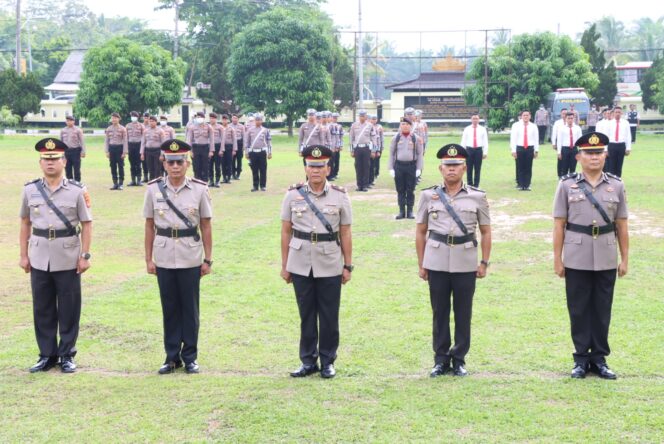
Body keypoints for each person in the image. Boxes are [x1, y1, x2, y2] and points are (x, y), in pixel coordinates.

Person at [553, 132, 628, 379]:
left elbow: (622, 225)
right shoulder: (566, 185)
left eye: (598, 153)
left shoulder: (616, 185)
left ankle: (599, 358)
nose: (594, 157)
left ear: (605, 155)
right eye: (588, 153)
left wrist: (624, 258)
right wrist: (557, 258)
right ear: (578, 157)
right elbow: (559, 225)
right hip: (576, 255)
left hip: (606, 254)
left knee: (602, 308)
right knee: (578, 308)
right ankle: (580, 359)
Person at [416, 144, 491, 377]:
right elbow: (421, 231)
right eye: (447, 165)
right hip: (436, 260)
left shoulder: (477, 197)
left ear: (464, 168)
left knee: (463, 311)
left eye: (456, 165)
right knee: (439, 312)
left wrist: (484, 262)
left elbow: (486, 231)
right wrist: (422, 263)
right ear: (440, 168)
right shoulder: (428, 196)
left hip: (466, 260)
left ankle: (458, 358)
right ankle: (440, 359)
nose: (451, 169)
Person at [19, 138, 93, 373]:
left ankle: (67, 354)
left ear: (64, 161)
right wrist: (23, 255)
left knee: (69, 309)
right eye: (46, 159)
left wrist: (85, 255)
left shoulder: (77, 190)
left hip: (68, 256)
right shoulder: (30, 190)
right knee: (42, 307)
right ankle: (46, 354)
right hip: (39, 255)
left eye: (55, 158)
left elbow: (87, 224)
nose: (50, 163)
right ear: (40, 162)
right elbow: (25, 222)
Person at [280, 145, 353, 379]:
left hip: (330, 260)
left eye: (320, 166)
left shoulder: (340, 196)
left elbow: (346, 232)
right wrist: (285, 265)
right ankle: (308, 360)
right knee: (306, 314)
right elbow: (285, 231)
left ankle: (328, 361)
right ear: (305, 168)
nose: (315, 171)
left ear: (328, 168)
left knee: (329, 314)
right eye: (311, 166)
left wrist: (347, 264)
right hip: (300, 261)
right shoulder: (293, 195)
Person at [143, 139, 213, 374]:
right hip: (163, 256)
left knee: (190, 309)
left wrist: (208, 258)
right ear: (164, 163)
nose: (175, 166)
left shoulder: (200, 189)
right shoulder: (153, 189)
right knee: (170, 308)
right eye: (171, 162)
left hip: (190, 256)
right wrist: (148, 259)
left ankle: (190, 356)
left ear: (187, 163)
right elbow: (149, 225)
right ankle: (171, 356)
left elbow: (205, 225)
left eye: (180, 162)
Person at [388, 118, 423, 219]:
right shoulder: (396, 138)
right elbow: (391, 153)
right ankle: (401, 211)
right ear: (400, 125)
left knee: (410, 189)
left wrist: (418, 168)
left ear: (410, 126)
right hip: (399, 166)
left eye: (407, 124)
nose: (405, 126)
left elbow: (420, 154)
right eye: (403, 124)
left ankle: (410, 211)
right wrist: (391, 168)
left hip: (411, 166)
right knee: (400, 189)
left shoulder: (416, 138)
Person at [510, 110, 539, 190]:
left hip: (530, 148)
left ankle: (527, 185)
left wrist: (536, 150)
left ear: (530, 116)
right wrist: (513, 150)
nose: (526, 117)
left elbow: (536, 139)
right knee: (520, 167)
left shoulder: (533, 126)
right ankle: (521, 185)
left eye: (527, 115)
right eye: (524, 115)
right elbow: (513, 139)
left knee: (528, 167)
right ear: (521, 116)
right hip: (520, 148)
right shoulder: (516, 125)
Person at [349, 110, 376, 192]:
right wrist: (351, 150)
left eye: (363, 116)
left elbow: (373, 138)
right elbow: (351, 138)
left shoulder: (370, 125)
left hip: (366, 148)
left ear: (366, 117)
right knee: (358, 166)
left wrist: (373, 150)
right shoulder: (354, 125)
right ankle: (359, 185)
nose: (362, 117)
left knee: (366, 166)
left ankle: (365, 185)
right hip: (357, 148)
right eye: (360, 116)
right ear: (359, 116)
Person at [245, 113, 272, 191]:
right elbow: (247, 142)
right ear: (254, 121)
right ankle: (255, 186)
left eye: (259, 120)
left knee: (263, 169)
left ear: (262, 121)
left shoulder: (265, 130)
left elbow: (269, 142)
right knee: (254, 169)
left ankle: (263, 186)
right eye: (256, 120)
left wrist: (270, 152)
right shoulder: (250, 130)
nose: (257, 121)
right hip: (253, 152)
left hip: (262, 152)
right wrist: (246, 152)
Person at [460, 113, 489, 187]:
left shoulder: (482, 129)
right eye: (473, 118)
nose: (475, 120)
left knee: (477, 168)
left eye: (476, 118)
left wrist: (485, 152)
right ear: (471, 119)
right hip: (469, 150)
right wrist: (462, 152)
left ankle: (476, 185)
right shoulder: (467, 129)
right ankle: (470, 184)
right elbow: (463, 141)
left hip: (478, 150)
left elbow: (485, 141)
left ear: (479, 120)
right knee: (469, 168)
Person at [186, 111, 215, 182]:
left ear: (204, 118)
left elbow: (212, 140)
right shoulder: (192, 127)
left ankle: (205, 182)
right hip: (196, 148)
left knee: (205, 166)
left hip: (205, 148)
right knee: (196, 166)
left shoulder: (209, 127)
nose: (199, 118)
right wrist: (190, 151)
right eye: (197, 117)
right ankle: (197, 181)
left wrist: (211, 151)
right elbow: (189, 139)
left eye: (200, 117)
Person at [605, 106, 632, 177]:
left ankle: (618, 183)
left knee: (619, 165)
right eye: (616, 112)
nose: (617, 114)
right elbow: (606, 137)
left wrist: (628, 148)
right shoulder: (609, 123)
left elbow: (628, 136)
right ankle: (611, 184)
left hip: (621, 146)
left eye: (619, 112)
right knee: (611, 166)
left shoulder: (625, 123)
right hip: (612, 145)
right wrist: (605, 149)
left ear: (621, 113)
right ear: (613, 113)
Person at [104, 112, 128, 190]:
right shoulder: (109, 129)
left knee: (120, 166)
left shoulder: (123, 129)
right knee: (112, 166)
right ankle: (115, 183)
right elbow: (106, 141)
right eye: (112, 118)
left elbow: (125, 141)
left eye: (115, 118)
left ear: (119, 119)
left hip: (120, 148)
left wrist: (124, 152)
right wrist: (107, 151)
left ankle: (121, 183)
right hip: (112, 149)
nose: (114, 119)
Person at [556, 112, 582, 177]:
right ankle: (564, 182)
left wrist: (580, 151)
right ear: (566, 119)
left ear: (574, 119)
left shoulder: (577, 128)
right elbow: (559, 141)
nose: (570, 120)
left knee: (573, 167)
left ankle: (572, 182)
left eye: (571, 118)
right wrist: (559, 152)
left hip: (574, 149)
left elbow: (580, 140)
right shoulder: (561, 128)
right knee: (564, 167)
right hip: (565, 149)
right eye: (569, 118)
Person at [61, 115, 86, 182]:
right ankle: (70, 184)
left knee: (76, 169)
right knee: (67, 169)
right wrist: (62, 155)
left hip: (76, 151)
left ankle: (77, 184)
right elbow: (61, 143)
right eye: (67, 121)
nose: (68, 122)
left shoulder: (78, 130)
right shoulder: (63, 130)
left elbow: (82, 141)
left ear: (73, 121)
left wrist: (83, 151)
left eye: (70, 121)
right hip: (66, 152)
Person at [140, 115, 165, 181]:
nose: (151, 123)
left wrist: (162, 154)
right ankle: (151, 183)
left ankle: (158, 183)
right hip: (148, 151)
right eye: (150, 121)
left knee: (157, 168)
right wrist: (142, 153)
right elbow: (143, 143)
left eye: (153, 121)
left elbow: (163, 143)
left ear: (156, 122)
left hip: (157, 151)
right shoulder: (145, 131)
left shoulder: (160, 131)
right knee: (150, 168)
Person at [126, 111, 146, 187]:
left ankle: (139, 180)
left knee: (138, 164)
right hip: (131, 146)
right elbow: (126, 138)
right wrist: (126, 148)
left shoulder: (141, 126)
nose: (133, 117)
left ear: (137, 117)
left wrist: (142, 150)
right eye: (132, 116)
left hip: (139, 145)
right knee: (132, 164)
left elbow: (143, 138)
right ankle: (133, 180)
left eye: (134, 116)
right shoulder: (127, 126)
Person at [219, 114, 237, 184]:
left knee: (229, 163)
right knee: (222, 163)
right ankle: (224, 177)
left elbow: (234, 139)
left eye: (225, 119)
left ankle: (229, 177)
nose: (224, 121)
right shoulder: (220, 128)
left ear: (228, 120)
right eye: (223, 119)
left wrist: (234, 149)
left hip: (229, 147)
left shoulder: (231, 128)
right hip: (221, 147)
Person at [551, 109, 568, 178]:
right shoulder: (557, 123)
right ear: (561, 114)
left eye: (566, 114)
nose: (564, 115)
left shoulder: (570, 122)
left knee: (567, 159)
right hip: (559, 142)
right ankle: (560, 174)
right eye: (563, 113)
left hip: (567, 143)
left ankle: (566, 173)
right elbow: (554, 133)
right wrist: (553, 143)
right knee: (560, 158)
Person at [208, 113, 224, 187]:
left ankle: (217, 180)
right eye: (210, 118)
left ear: (216, 119)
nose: (212, 119)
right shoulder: (207, 126)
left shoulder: (220, 127)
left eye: (213, 118)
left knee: (217, 165)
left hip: (217, 146)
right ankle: (211, 180)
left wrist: (221, 149)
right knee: (209, 165)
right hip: (209, 147)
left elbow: (223, 139)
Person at [230, 114, 246, 180]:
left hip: (239, 144)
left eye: (236, 118)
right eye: (233, 118)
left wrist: (244, 146)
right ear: (231, 119)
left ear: (238, 119)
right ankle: (233, 174)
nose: (234, 119)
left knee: (239, 160)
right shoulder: (229, 126)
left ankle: (238, 174)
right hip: (231, 144)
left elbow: (244, 136)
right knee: (232, 160)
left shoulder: (241, 126)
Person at [370, 114, 384, 183]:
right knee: (371, 162)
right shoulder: (369, 126)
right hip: (370, 147)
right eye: (372, 119)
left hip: (378, 146)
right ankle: (371, 174)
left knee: (377, 161)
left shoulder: (379, 127)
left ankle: (376, 173)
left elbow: (381, 137)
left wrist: (381, 147)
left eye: (375, 119)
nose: (374, 120)